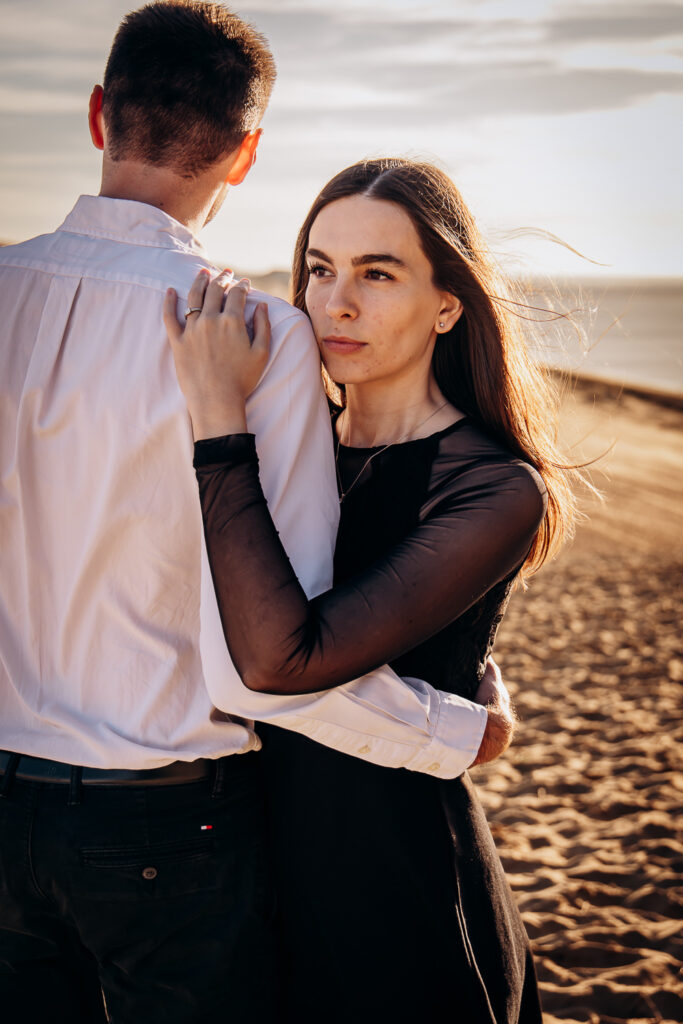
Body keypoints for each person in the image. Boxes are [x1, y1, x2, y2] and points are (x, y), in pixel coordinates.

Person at [0, 6, 511, 1023]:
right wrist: (458, 731)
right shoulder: (250, 329)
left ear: (99, 112)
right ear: (246, 153)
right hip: (165, 827)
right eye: (326, 269)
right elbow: (271, 661)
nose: (335, 299)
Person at [164, 157, 580, 1023]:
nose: (335, 303)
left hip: (392, 896)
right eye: (318, 269)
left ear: (446, 303)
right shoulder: (282, 447)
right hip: (229, 878)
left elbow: (284, 659)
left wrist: (216, 416)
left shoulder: (492, 487)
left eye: (377, 274)